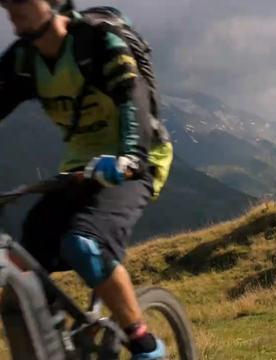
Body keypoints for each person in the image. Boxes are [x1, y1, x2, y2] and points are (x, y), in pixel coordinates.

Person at [0, 0, 173, 358]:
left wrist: (130, 158)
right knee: (18, 265)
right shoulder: (24, 59)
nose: (11, 7)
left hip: (137, 160)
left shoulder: (98, 42)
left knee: (85, 244)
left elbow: (132, 99)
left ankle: (145, 344)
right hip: (78, 169)